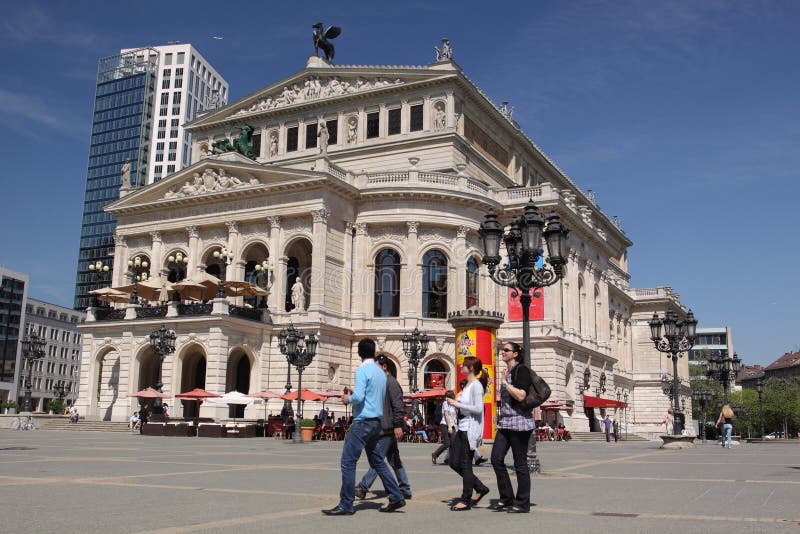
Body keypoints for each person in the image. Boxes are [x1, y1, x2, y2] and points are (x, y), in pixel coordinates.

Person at [322, 338, 405, 516]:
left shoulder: (362, 370)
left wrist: (347, 399)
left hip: (362, 421)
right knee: (377, 461)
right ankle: (396, 496)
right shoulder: (381, 373)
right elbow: (373, 396)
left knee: (348, 462)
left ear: (360, 353)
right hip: (377, 422)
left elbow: (359, 397)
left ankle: (346, 504)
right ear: (373, 352)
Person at [355, 354, 412, 500]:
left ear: (384, 366)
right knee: (394, 460)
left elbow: (398, 406)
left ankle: (363, 487)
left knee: (377, 459)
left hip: (388, 427)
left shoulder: (391, 383)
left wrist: (398, 425)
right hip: (383, 426)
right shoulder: (380, 382)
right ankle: (404, 488)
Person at [490, 342, 535, 513]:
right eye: (502, 350)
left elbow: (521, 395)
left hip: (520, 423)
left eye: (506, 350)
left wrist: (504, 382)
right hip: (505, 422)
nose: (503, 352)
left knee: (520, 464)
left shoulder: (521, 370)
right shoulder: (506, 371)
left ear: (515, 354)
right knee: (496, 458)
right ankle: (507, 496)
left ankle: (523, 502)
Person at [446, 356, 490, 511]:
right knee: (453, 462)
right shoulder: (468, 385)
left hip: (469, 429)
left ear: (471, 368)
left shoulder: (476, 386)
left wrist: (456, 403)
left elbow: (478, 408)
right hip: (462, 428)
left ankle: (466, 499)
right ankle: (479, 487)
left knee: (466, 464)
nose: (461, 367)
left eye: (464, 365)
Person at [432, 391, 456, 464]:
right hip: (445, 425)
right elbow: (446, 415)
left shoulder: (453, 403)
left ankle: (449, 458)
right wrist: (449, 427)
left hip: (452, 425)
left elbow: (454, 414)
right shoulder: (445, 403)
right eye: (445, 397)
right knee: (447, 443)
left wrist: (455, 423)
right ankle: (435, 454)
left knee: (454, 442)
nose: (445, 398)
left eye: (447, 396)